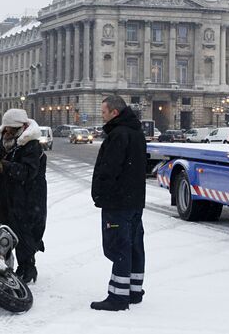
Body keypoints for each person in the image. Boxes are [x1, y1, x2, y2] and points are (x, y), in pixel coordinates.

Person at [90, 95, 146, 311]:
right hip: (134, 201)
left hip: (117, 202)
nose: (102, 116)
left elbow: (109, 170)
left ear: (114, 112)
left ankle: (118, 297)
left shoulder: (118, 135)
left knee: (117, 247)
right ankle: (133, 290)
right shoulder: (136, 132)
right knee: (133, 245)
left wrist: (101, 195)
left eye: (104, 112)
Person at [0, 108, 47, 284]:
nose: (7, 132)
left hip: (28, 197)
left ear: (22, 126)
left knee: (24, 232)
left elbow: (28, 172)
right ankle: (8, 264)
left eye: (11, 129)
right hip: (7, 194)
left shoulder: (32, 145)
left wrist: (4, 167)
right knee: (7, 229)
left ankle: (28, 268)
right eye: (6, 128)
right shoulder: (6, 141)